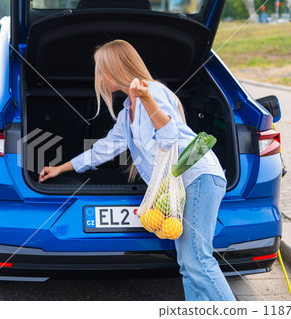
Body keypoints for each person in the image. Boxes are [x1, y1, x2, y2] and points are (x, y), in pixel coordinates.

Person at [38, 39, 236, 301]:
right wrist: (60, 169)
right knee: (188, 266)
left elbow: (169, 135)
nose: (98, 76)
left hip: (198, 176)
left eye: (100, 68)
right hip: (182, 184)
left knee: (199, 261)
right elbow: (104, 149)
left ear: (113, 69)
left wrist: (146, 98)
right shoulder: (126, 112)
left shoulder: (153, 91)